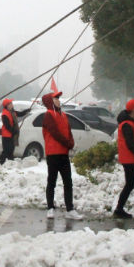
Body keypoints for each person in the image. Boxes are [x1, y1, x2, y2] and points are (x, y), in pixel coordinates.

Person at [41, 91, 83, 220]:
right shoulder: (48, 115)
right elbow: (55, 133)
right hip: (53, 153)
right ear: (50, 101)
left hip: (63, 153)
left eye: (58, 98)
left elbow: (68, 131)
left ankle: (70, 209)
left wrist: (71, 142)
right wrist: (68, 144)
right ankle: (50, 208)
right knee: (52, 181)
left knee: (68, 182)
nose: (59, 100)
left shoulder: (63, 115)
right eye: (56, 98)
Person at [0, 99, 30, 164]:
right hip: (6, 135)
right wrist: (14, 131)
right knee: (6, 150)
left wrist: (26, 111)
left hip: (11, 134)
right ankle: (1, 163)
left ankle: (10, 163)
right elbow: (7, 126)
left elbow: (20, 114)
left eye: (11, 103)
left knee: (11, 150)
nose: (12, 105)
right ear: (6, 106)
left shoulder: (12, 112)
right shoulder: (5, 114)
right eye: (10, 104)